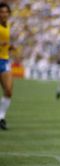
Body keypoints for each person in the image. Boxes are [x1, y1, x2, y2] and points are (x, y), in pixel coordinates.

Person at [0, 2, 13, 130]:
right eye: (1, 12)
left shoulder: (7, 26)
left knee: (8, 91)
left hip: (4, 60)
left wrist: (9, 46)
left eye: (5, 12)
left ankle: (1, 117)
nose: (4, 14)